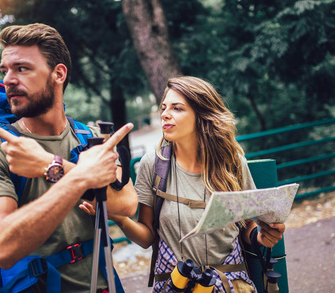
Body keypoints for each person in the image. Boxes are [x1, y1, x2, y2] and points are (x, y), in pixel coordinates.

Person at [0, 23, 137, 292]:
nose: (8, 80)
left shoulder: (89, 137)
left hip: (102, 282)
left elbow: (127, 204)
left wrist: (54, 167)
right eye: (5, 70)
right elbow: (1, 247)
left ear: (58, 74)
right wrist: (81, 176)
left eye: (22, 68)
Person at [81, 76, 286, 292]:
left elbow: (247, 226)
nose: (165, 114)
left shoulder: (232, 162)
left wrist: (263, 237)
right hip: (176, 286)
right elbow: (147, 237)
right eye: (164, 107)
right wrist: (117, 217)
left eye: (177, 108)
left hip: (231, 285)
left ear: (202, 115)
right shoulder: (153, 165)